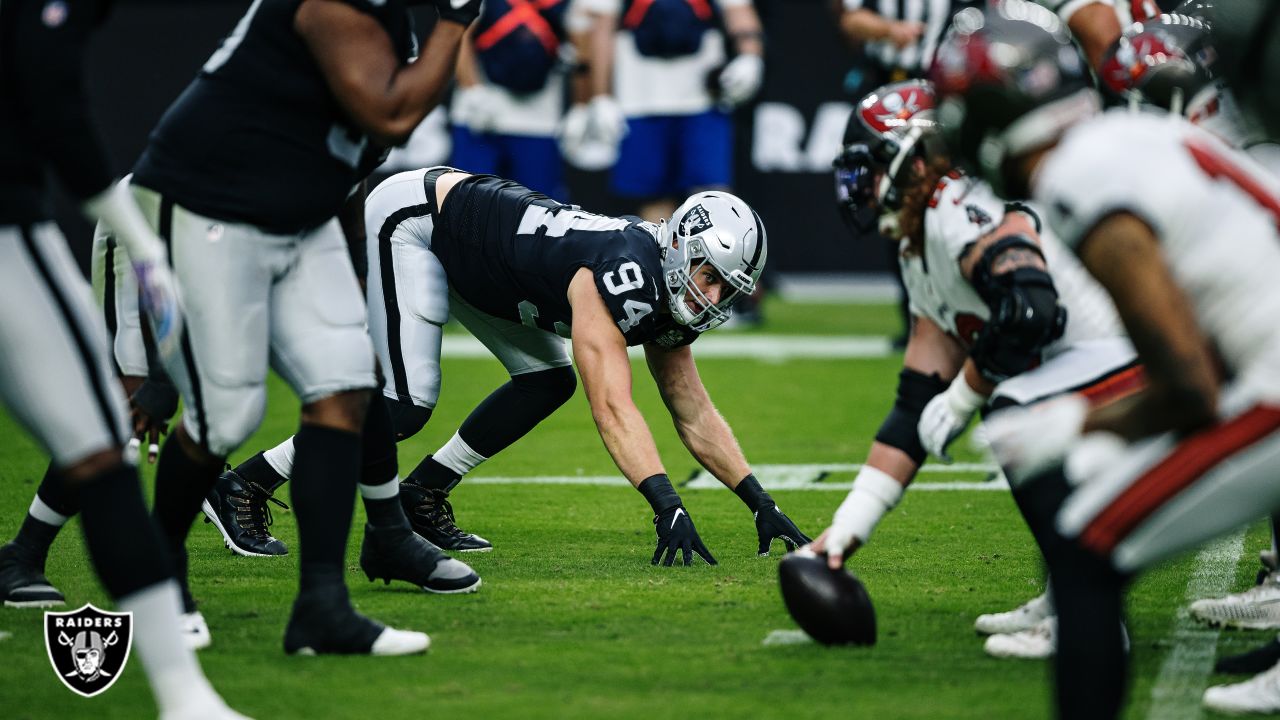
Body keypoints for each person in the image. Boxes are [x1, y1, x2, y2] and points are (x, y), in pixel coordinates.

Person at [928, 2, 1280, 716]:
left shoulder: (1079, 179)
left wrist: (1075, 426)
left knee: (1083, 544)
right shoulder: (1130, 136)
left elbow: (1191, 388)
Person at [125, 0, 485, 656]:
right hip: (212, 203)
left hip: (297, 212)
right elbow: (391, 114)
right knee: (227, 416)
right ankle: (157, 575)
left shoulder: (389, 19)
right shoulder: (332, 4)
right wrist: (459, 21)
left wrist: (346, 266)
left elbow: (350, 152)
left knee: (347, 384)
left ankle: (322, 607)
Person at [221, 167, 812, 564]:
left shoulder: (661, 283)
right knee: (405, 403)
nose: (711, 296)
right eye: (709, 276)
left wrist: (760, 501)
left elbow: (691, 408)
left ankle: (422, 493)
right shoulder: (627, 273)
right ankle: (244, 483)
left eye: (724, 289)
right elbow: (611, 405)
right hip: (422, 222)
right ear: (684, 244)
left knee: (545, 380)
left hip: (486, 264)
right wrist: (667, 505)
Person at [811, 79, 1140, 660]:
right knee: (1014, 401)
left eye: (875, 164)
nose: (862, 186)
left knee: (1012, 408)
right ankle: (1067, 589)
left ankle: (1088, 616)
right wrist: (843, 532)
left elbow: (1031, 308)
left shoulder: (959, 206)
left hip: (1132, 361)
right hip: (1084, 367)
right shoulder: (920, 240)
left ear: (914, 159)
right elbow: (917, 398)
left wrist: (966, 395)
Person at [0, 0, 246, 716]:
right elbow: (52, 94)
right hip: (28, 229)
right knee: (111, 434)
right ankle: (181, 692)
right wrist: (140, 247)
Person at [567, 0, 765, 224]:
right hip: (639, 100)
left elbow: (738, 9)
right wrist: (599, 96)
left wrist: (750, 57)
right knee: (654, 204)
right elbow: (601, 27)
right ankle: (662, 258)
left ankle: (711, 259)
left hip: (703, 101)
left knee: (714, 201)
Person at [448, 0, 572, 198]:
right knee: (470, 210)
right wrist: (474, 92)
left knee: (538, 215)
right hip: (479, 120)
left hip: (538, 121)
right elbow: (457, 29)